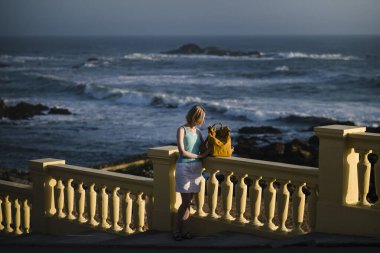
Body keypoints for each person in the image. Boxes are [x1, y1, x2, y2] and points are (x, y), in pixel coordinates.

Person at [173, 105, 209, 241]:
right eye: (202, 118)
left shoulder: (199, 132)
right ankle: (176, 230)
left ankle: (185, 231)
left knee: (189, 203)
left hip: (196, 169)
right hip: (183, 167)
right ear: (196, 117)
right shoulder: (182, 130)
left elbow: (205, 149)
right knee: (185, 201)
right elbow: (182, 152)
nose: (203, 121)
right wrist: (200, 156)